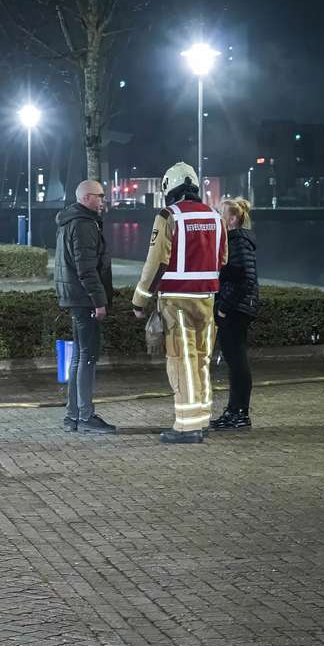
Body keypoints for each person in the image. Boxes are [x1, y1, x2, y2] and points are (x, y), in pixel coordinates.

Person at [132, 162, 227, 444]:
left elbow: (154, 264)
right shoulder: (216, 216)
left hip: (177, 301)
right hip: (207, 300)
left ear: (169, 189)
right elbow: (223, 260)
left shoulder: (167, 216)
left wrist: (140, 301)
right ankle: (202, 419)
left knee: (181, 362)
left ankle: (186, 427)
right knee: (202, 361)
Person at [54, 180, 115, 433]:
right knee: (88, 357)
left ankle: (73, 416)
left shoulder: (70, 222)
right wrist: (99, 301)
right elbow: (87, 268)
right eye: (100, 196)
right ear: (86, 198)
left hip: (75, 297)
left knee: (79, 356)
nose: (103, 200)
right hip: (84, 299)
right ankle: (85, 415)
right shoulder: (84, 225)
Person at [212, 197, 259, 431]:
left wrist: (223, 307)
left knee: (237, 362)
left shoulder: (237, 240)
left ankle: (239, 413)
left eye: (220, 212)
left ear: (231, 219)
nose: (216, 215)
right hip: (238, 307)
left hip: (237, 310)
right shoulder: (235, 240)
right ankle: (234, 411)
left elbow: (244, 278)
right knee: (234, 361)